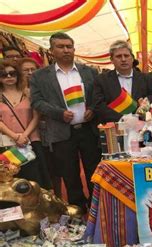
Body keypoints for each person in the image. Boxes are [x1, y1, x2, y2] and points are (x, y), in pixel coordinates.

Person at [30, 32, 101, 210]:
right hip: (61, 131)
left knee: (94, 171)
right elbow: (37, 102)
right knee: (70, 174)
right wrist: (58, 113)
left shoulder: (89, 71)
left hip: (88, 129)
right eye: (61, 47)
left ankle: (97, 206)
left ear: (74, 49)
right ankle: (77, 208)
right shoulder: (40, 76)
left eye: (69, 46)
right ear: (51, 50)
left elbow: (99, 96)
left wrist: (92, 108)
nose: (66, 50)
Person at [0, 61, 51, 189]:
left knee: (36, 179)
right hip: (7, 144)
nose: (9, 77)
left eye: (12, 73)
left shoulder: (28, 93)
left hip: (31, 140)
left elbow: (36, 116)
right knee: (12, 182)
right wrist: (15, 136)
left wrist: (24, 135)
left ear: (18, 75)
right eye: (3, 74)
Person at [93, 40, 152, 124]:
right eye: (119, 56)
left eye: (126, 56)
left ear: (132, 58)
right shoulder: (101, 80)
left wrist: (143, 108)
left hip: (142, 126)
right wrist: (123, 118)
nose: (123, 59)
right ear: (111, 59)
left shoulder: (146, 78)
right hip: (115, 127)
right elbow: (99, 105)